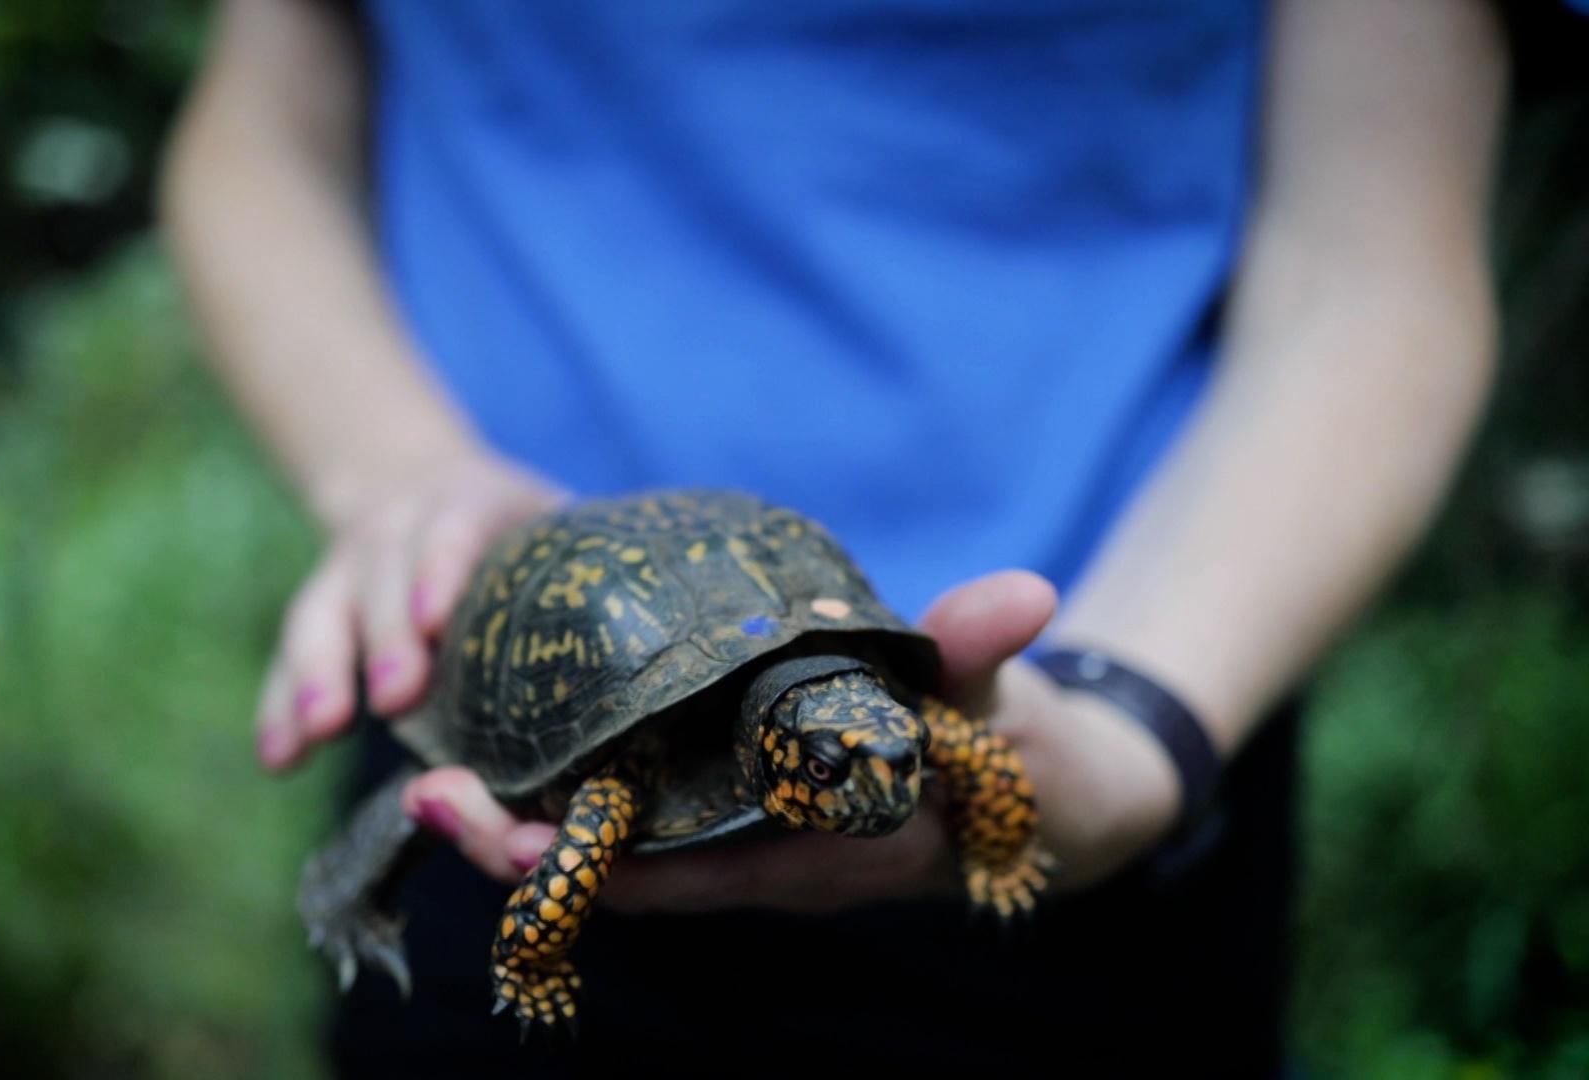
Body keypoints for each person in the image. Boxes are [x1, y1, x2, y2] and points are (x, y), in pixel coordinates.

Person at [161, 0, 1505, 1072]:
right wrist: (395, 470)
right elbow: (261, 113)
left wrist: (1129, 716)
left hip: (1136, 692)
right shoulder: (640, 780)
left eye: (870, 747)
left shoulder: (907, 738)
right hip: (481, 638)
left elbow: (1372, 263)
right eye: (840, 755)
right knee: (489, 844)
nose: (867, 768)